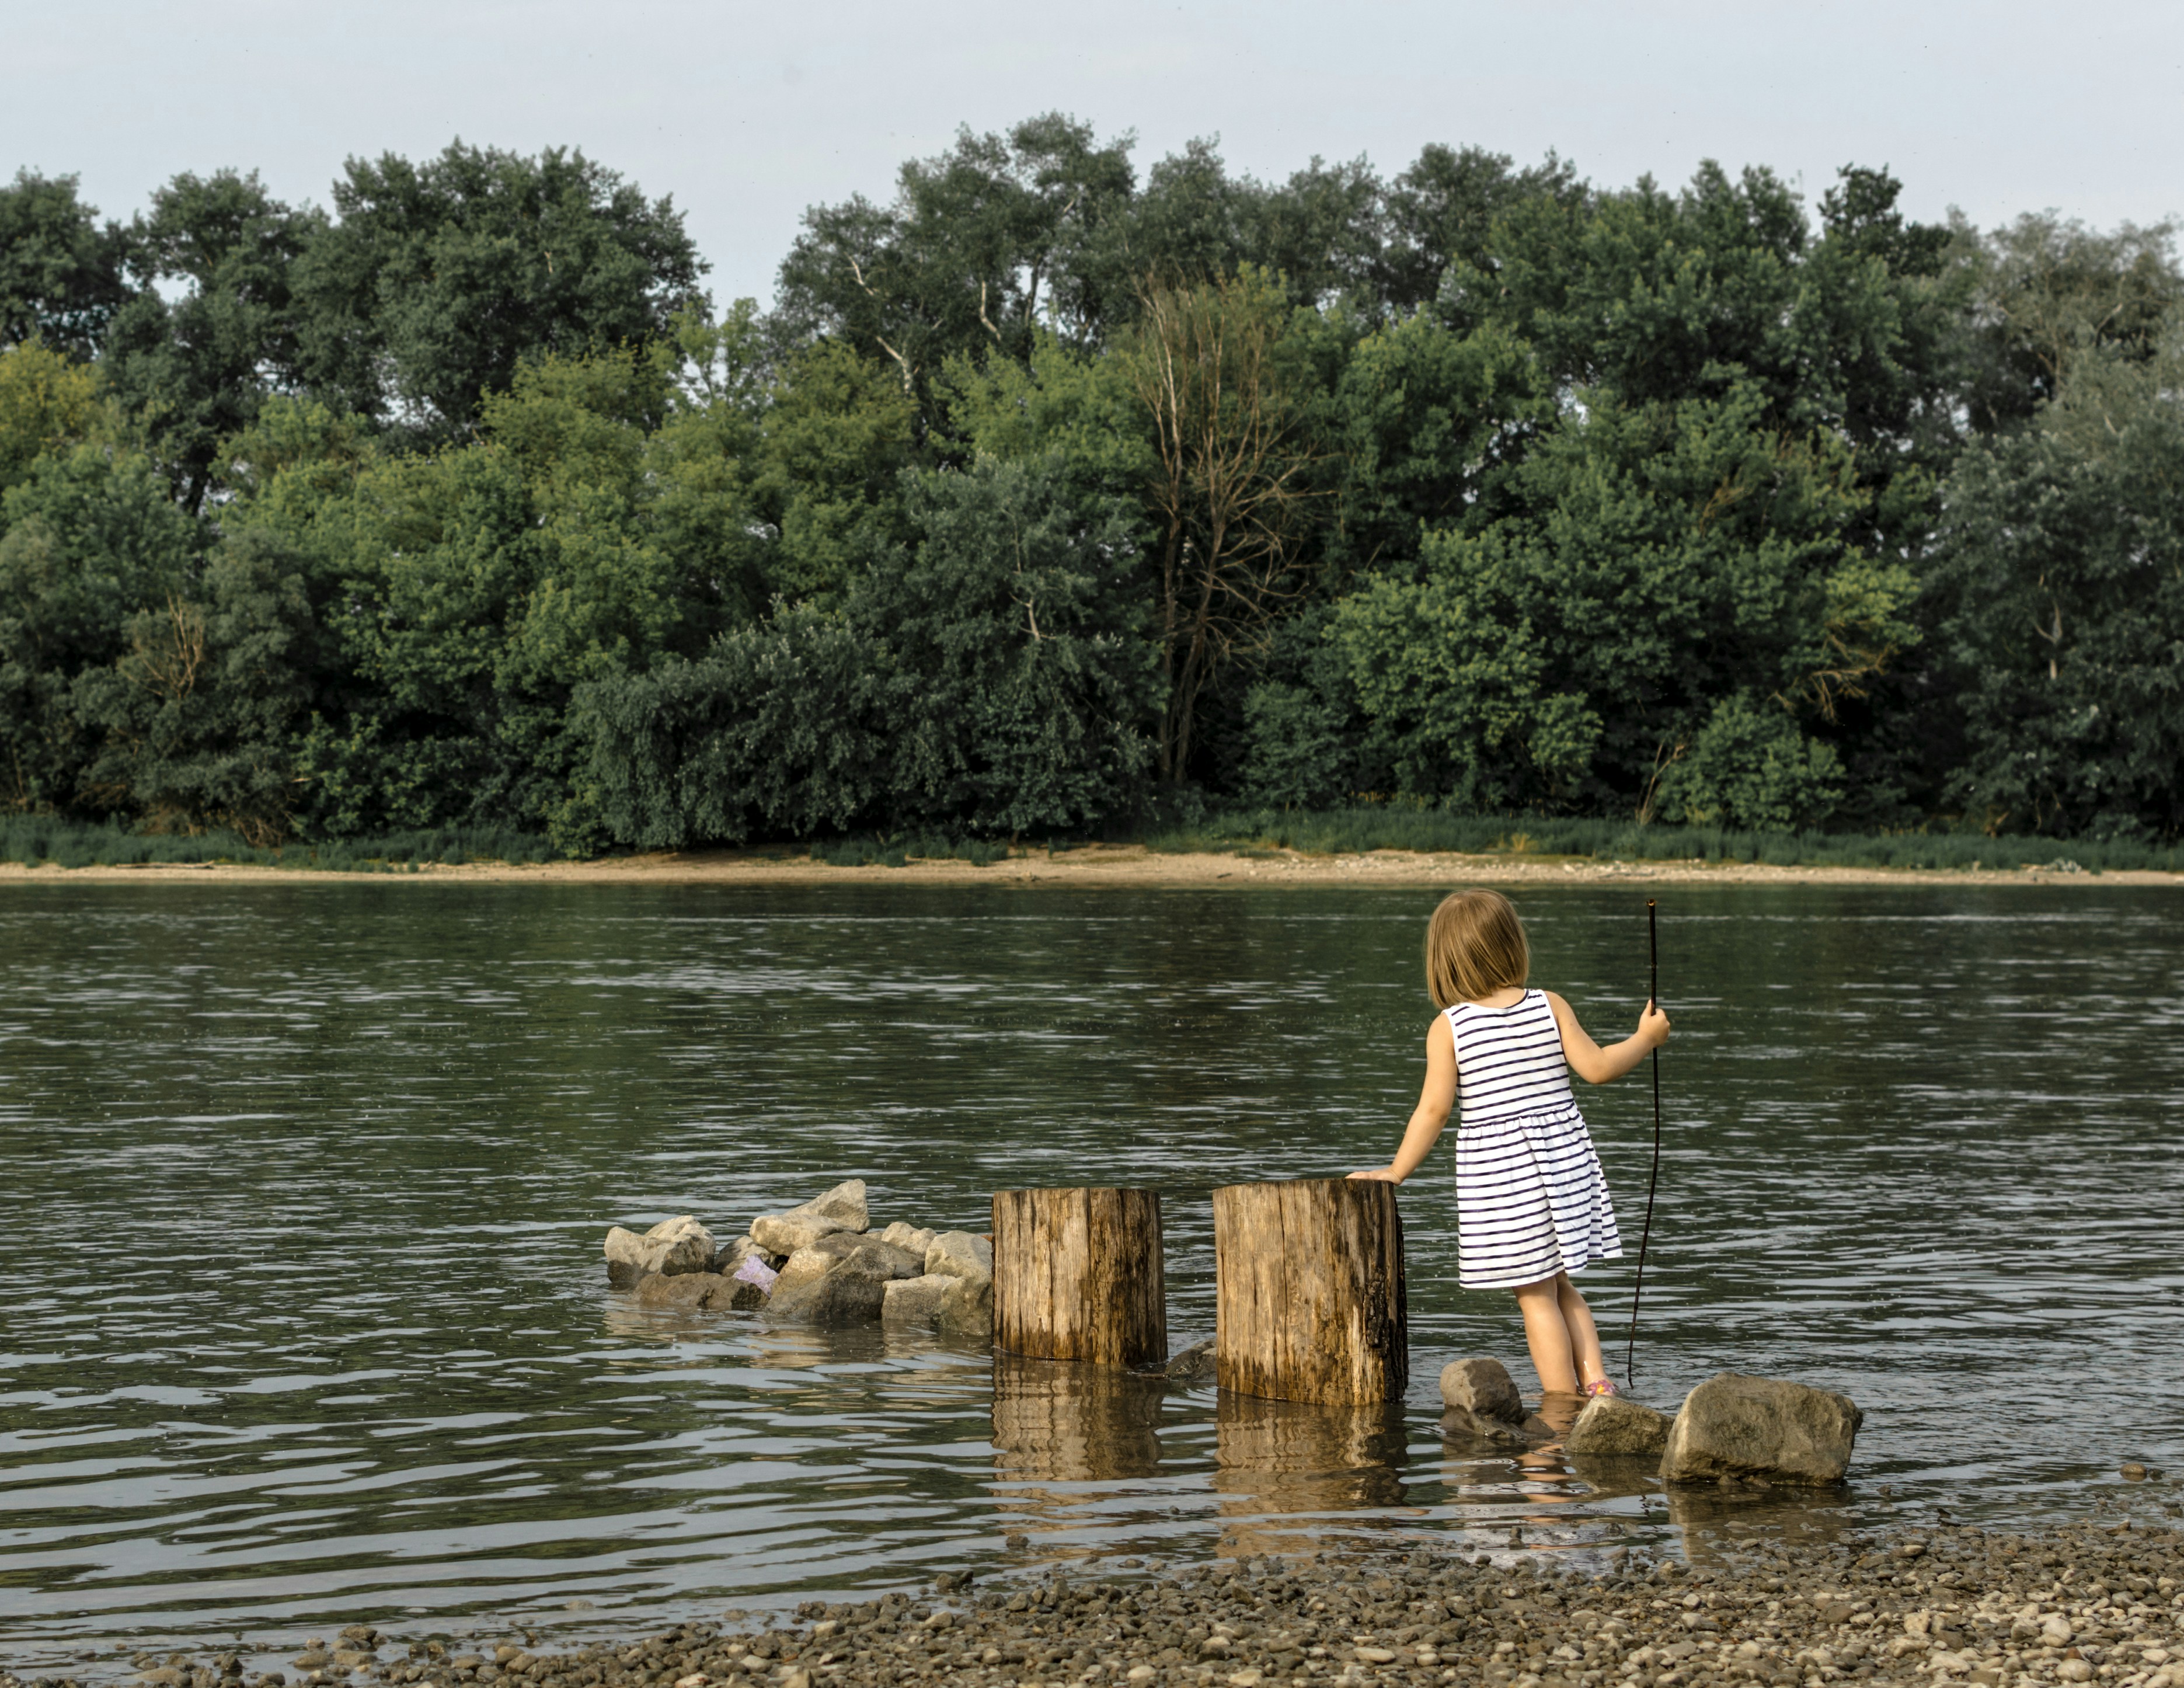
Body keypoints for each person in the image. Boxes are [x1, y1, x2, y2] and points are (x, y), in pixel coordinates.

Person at [1349, 887, 1670, 1400]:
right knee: (1561, 1283)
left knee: (1534, 1295)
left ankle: (1562, 1402)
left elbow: (1433, 1110)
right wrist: (1645, 1038)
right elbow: (1598, 1067)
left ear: (1445, 961)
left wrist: (1396, 1170)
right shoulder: (1549, 1004)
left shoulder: (1449, 1027)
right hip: (1565, 1165)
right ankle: (1598, 1383)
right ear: (1511, 945)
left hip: (1506, 1175)